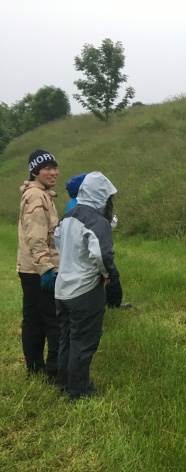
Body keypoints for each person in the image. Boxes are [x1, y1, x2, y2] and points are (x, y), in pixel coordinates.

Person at [54, 171, 119, 400]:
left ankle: (63, 382)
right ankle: (79, 391)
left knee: (67, 339)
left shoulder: (68, 216)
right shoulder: (96, 221)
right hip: (85, 291)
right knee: (83, 342)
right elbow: (102, 255)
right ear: (102, 195)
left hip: (62, 289)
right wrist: (109, 276)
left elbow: (58, 246)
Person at [17, 149, 61, 382]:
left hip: (30, 268)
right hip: (39, 270)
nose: (53, 172)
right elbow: (36, 237)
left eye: (55, 167)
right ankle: (54, 371)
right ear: (35, 171)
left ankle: (35, 367)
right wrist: (46, 268)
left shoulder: (41, 193)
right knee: (52, 320)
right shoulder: (36, 196)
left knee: (33, 318)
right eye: (47, 168)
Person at [64, 173, 131, 310]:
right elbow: (100, 251)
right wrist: (108, 274)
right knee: (109, 273)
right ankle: (112, 304)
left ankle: (110, 304)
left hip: (72, 272)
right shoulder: (79, 207)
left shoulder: (75, 206)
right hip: (84, 260)